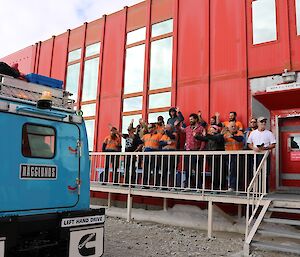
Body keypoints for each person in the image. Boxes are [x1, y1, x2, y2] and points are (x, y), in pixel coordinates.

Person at [247, 117, 276, 192]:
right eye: (261, 122)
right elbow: (249, 143)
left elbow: (273, 144)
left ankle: (264, 190)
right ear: (258, 123)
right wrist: (253, 148)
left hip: (265, 155)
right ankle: (256, 190)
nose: (263, 123)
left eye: (264, 122)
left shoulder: (269, 133)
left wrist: (265, 148)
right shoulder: (253, 133)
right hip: (255, 155)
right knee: (255, 172)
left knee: (265, 172)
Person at [194, 125, 225, 190]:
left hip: (218, 157)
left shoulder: (219, 135)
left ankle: (219, 187)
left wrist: (207, 135)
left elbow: (216, 138)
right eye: (210, 129)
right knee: (213, 172)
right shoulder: (209, 137)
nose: (210, 130)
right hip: (211, 157)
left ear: (216, 130)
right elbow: (203, 138)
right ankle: (214, 187)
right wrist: (196, 136)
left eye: (212, 129)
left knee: (219, 172)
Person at [181, 113, 206, 188]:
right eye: (190, 119)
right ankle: (187, 186)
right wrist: (177, 125)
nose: (190, 120)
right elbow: (181, 130)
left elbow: (204, 140)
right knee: (187, 169)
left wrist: (201, 150)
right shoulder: (188, 128)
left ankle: (199, 186)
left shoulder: (201, 128)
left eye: (191, 119)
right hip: (188, 151)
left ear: (196, 119)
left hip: (197, 150)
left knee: (197, 170)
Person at [223, 121, 244, 191]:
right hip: (229, 155)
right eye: (232, 126)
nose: (234, 127)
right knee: (230, 171)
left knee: (238, 171)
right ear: (228, 128)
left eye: (235, 126)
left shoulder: (239, 133)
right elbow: (219, 139)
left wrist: (233, 136)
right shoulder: (225, 134)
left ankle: (237, 187)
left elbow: (241, 139)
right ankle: (231, 186)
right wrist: (221, 133)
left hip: (239, 155)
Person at [120, 120, 143, 185]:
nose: (129, 131)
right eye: (128, 130)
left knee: (132, 168)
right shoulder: (127, 136)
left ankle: (132, 182)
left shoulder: (136, 137)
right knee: (126, 168)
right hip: (127, 154)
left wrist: (136, 151)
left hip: (132, 154)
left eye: (130, 130)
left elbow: (141, 144)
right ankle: (126, 182)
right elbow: (120, 134)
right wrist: (130, 123)